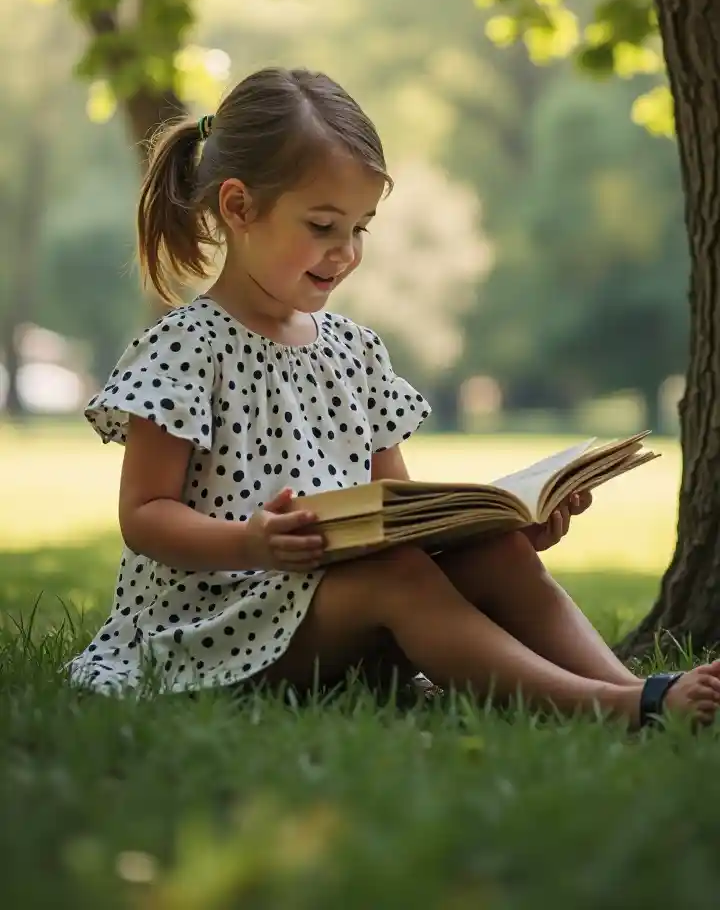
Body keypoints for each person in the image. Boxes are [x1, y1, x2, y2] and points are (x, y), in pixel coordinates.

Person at [66, 66, 720, 728]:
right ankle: (612, 709)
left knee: (497, 554)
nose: (345, 252)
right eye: (323, 226)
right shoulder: (186, 348)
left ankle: (643, 690)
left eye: (360, 228)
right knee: (397, 579)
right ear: (238, 207)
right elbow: (145, 514)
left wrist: (504, 523)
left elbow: (398, 514)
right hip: (215, 625)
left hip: (331, 610)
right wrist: (251, 544)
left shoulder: (355, 350)